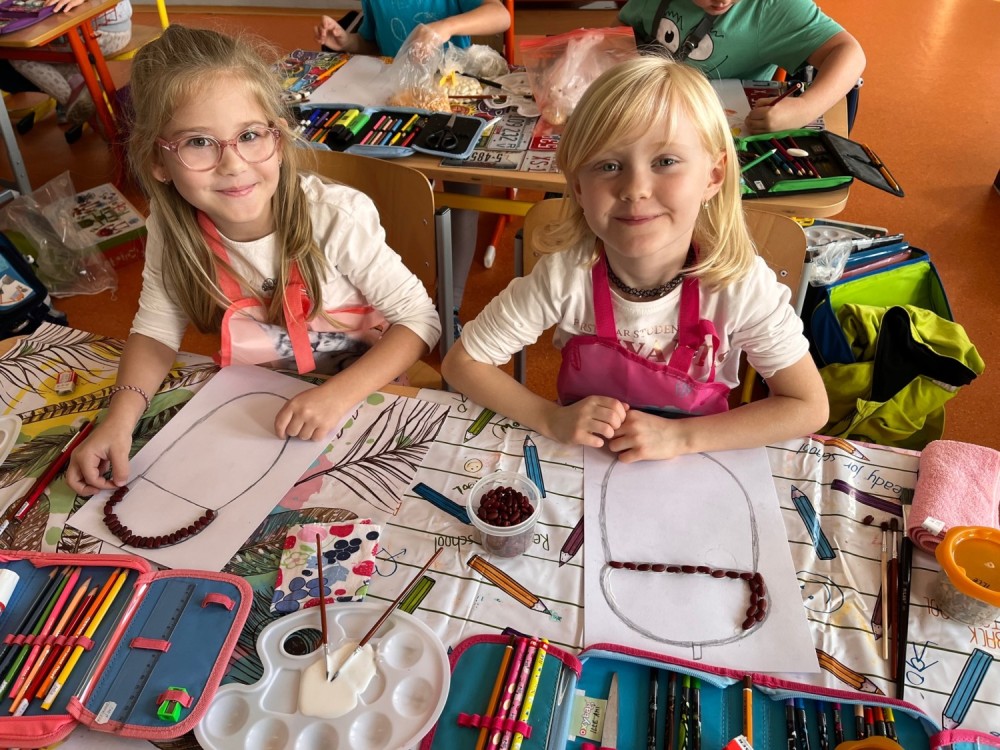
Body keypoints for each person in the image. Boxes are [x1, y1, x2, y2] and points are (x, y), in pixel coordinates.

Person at [66, 26, 441, 496]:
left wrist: (336, 395)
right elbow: (156, 331)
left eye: (248, 135)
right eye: (198, 142)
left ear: (278, 139)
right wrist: (119, 420)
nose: (233, 164)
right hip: (260, 405)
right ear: (158, 161)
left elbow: (419, 320)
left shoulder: (335, 217)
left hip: (363, 387)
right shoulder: (170, 225)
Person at [442, 56, 829, 463]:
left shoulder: (739, 286)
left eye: (665, 162)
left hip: (695, 462)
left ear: (713, 176)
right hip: (585, 464)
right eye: (609, 165)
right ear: (578, 187)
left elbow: (807, 405)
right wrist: (549, 418)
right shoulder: (565, 276)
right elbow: (461, 363)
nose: (635, 189)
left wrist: (681, 437)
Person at [314, 1, 512, 337]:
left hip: (450, 93)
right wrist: (347, 42)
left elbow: (501, 15)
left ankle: (449, 304)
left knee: (462, 192)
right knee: (392, 191)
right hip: (401, 100)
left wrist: (446, 27)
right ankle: (393, 300)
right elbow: (373, 43)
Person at [618, 0, 865, 134]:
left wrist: (804, 109)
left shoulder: (771, 7)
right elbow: (620, 30)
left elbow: (849, 52)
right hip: (642, 112)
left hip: (713, 130)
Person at [10, 0, 132, 129]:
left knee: (17, 54)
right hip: (112, 27)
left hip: (102, 33)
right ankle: (79, 89)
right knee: (44, 47)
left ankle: (79, 102)